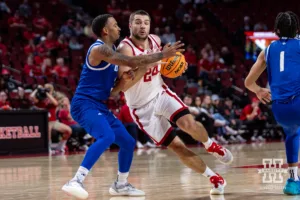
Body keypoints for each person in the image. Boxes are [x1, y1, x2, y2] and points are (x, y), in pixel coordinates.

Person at [61, 14, 184, 199]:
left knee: (127, 142)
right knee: (107, 136)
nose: (119, 28)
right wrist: (162, 55)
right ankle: (76, 180)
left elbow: (112, 93)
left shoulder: (110, 53)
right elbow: (132, 61)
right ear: (105, 30)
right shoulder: (99, 49)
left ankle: (121, 184)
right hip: (84, 103)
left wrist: (123, 82)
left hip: (99, 105)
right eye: (115, 25)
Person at [114, 10, 233, 195]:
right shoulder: (125, 49)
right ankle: (214, 178)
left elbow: (165, 65)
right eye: (138, 22)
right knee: (177, 147)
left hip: (160, 94)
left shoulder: (155, 40)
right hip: (141, 108)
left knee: (189, 123)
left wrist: (176, 66)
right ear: (130, 26)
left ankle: (210, 144)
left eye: (146, 22)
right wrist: (153, 62)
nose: (142, 26)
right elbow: (123, 85)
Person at [245, 11, 300, 195]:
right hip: (298, 102)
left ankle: (293, 181)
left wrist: (259, 91)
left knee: (292, 134)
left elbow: (248, 83)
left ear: (276, 30)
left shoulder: (266, 51)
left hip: (279, 109)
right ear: (297, 29)